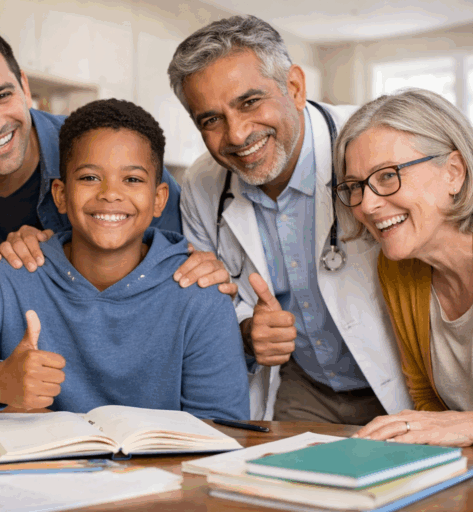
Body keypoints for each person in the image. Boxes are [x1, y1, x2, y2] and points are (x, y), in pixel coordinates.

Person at [0, 99, 250, 420]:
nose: (110, 195)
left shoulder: (200, 294)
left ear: (159, 200)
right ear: (60, 195)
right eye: (89, 177)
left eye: (132, 180)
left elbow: (222, 432)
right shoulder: (11, 277)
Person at [165, 15, 413, 422]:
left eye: (249, 102)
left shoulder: (372, 144)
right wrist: (247, 330)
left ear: (294, 87)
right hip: (302, 387)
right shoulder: (202, 184)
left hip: (402, 382)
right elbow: (211, 294)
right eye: (210, 119)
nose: (238, 134)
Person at [0, 22, 231, 329]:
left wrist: (205, 269)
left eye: (2, 95)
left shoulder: (99, 147)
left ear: (24, 86)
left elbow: (186, 271)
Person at [329, 89, 473, 446]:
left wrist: (469, 427)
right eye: (355, 186)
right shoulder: (397, 269)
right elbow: (428, 402)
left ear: (453, 172)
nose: (368, 205)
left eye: (388, 176)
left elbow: (449, 425)